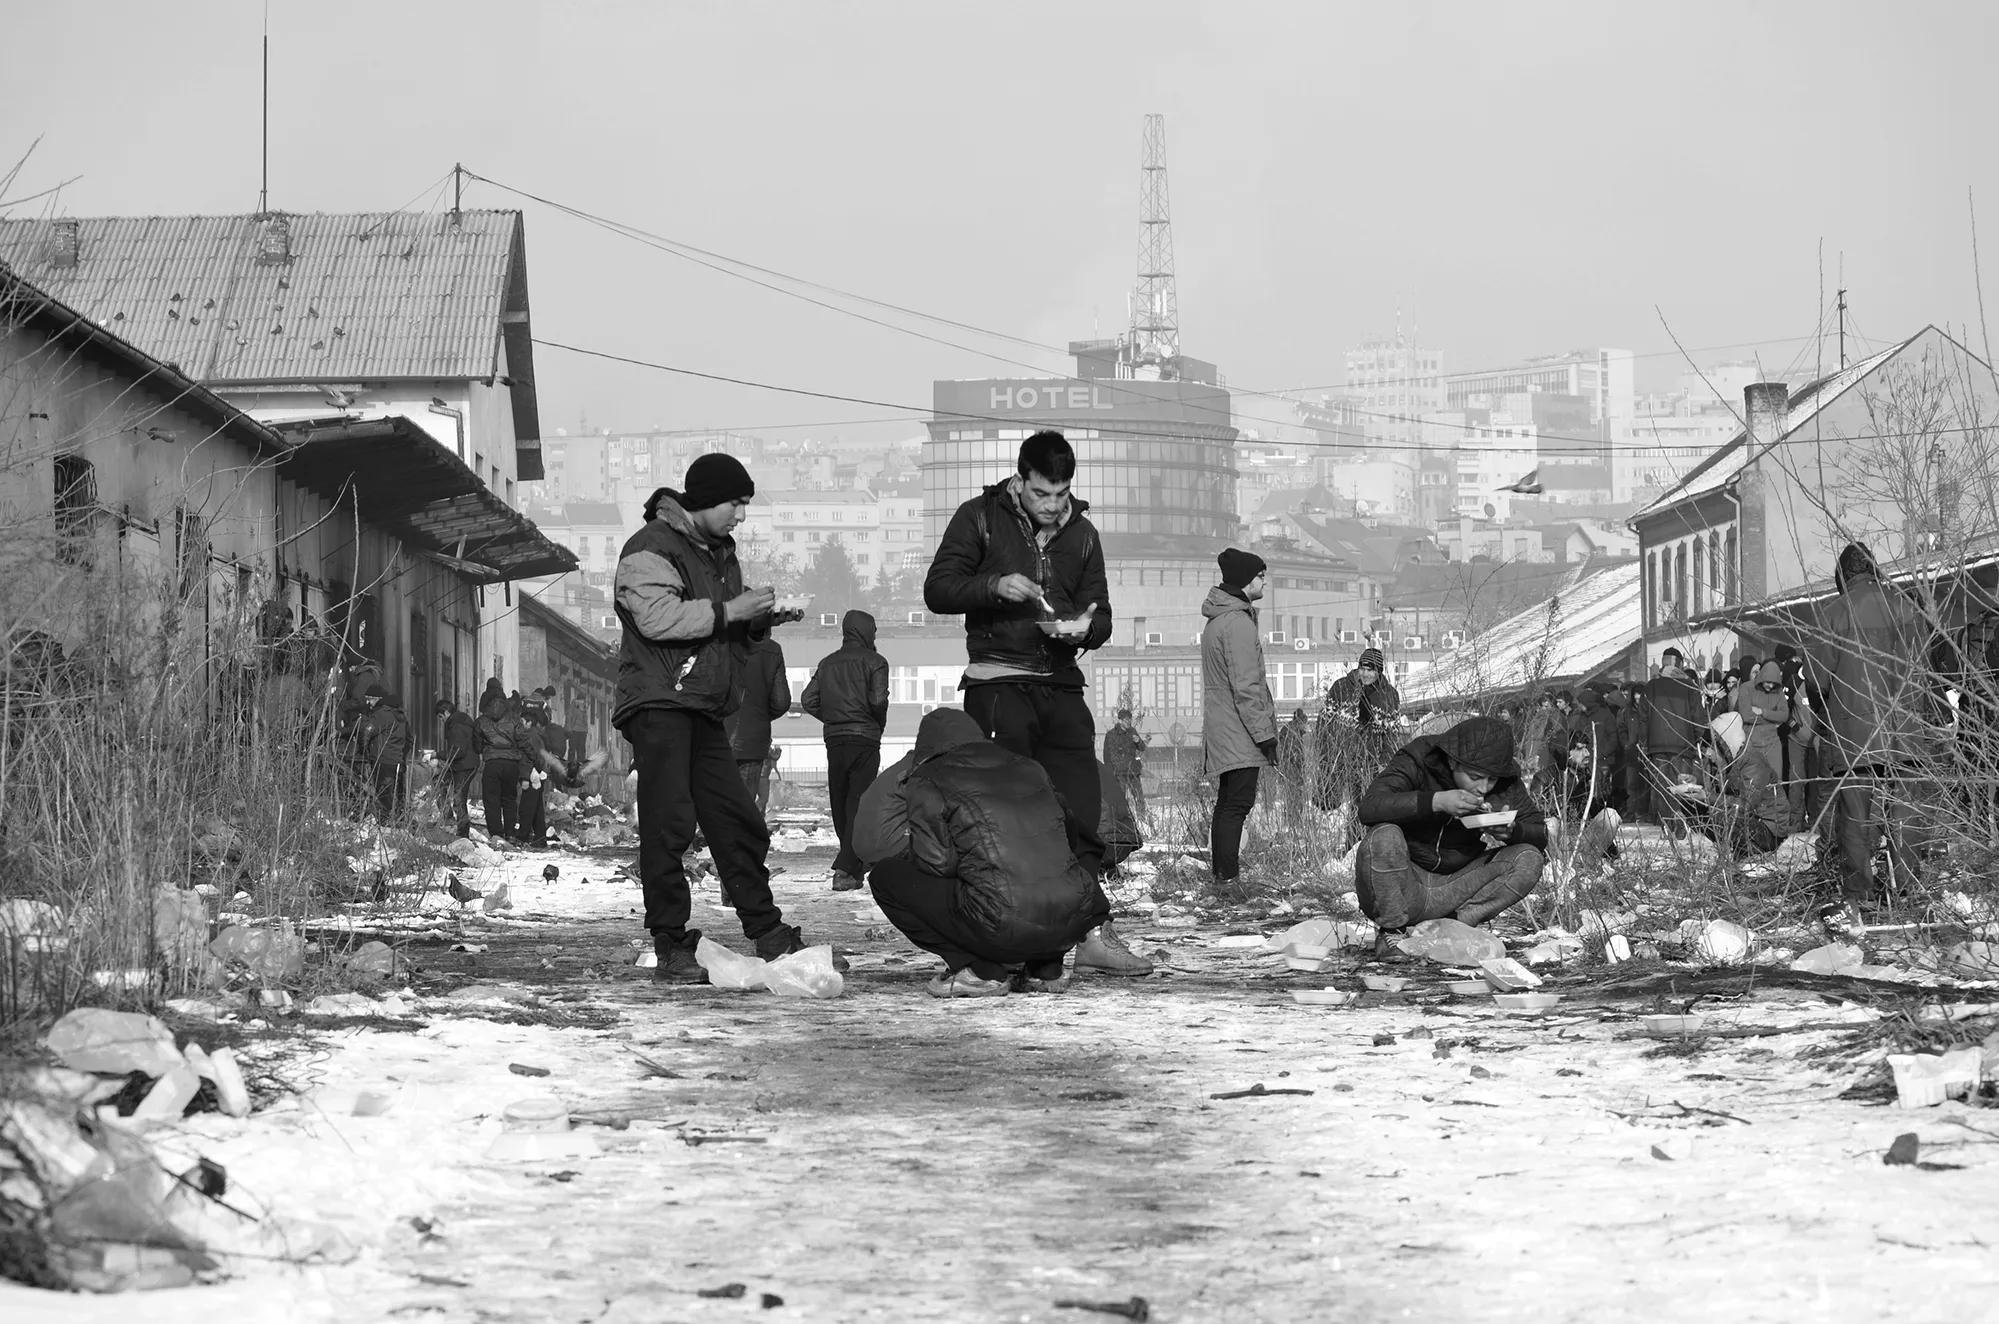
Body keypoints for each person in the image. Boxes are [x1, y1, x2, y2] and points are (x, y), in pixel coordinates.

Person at [922, 428, 1149, 976]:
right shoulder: (978, 517)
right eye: (1042, 493)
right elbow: (938, 589)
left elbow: (1105, 616)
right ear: (1020, 480)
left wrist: (1084, 632)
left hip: (1062, 684)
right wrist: (994, 586)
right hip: (998, 684)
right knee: (1006, 816)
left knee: (1081, 810)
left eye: (1062, 494)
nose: (1052, 506)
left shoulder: (1085, 535)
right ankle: (1006, 937)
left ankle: (1092, 931)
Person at [615, 455, 830, 984]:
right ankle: (670, 941)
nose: (739, 515)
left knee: (735, 819)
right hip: (661, 701)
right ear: (706, 499)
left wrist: (756, 624)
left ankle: (770, 931)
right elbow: (656, 617)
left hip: (702, 703)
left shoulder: (718, 554)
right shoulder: (650, 548)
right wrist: (732, 611)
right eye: (735, 503)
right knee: (669, 824)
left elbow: (716, 625)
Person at [854, 708, 1103, 998]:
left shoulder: (929, 778)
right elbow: (1068, 835)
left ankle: (980, 971)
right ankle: (1045, 969)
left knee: (886, 877)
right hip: (1071, 919)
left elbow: (937, 863)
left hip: (1000, 923)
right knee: (1044, 873)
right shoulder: (1029, 767)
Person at [1811, 542, 1942, 926]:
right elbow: (1928, 670)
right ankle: (1908, 887)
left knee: (1855, 817)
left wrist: (1825, 716)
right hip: (1906, 731)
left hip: (1854, 733)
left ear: (1842, 575)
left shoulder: (1833, 613)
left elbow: (1818, 681)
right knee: (1907, 813)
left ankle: (1859, 895)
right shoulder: (1906, 607)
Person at [1354, 716, 1549, 944]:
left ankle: (1453, 928)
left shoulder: (1504, 780)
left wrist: (1512, 832)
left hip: (1456, 886)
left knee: (1528, 858)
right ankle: (1392, 934)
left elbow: (1540, 834)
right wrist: (1435, 802)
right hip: (1404, 881)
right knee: (1383, 835)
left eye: (1492, 780)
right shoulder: (1419, 757)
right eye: (1475, 777)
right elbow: (1370, 807)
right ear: (1453, 762)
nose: (1483, 787)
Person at [1200, 548, 1278, 890]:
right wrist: (1265, 736)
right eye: (1261, 575)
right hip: (1239, 728)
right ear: (1246, 580)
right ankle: (1228, 880)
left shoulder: (1221, 619)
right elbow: (1247, 687)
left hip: (1224, 724)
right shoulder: (1237, 624)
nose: (1265, 580)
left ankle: (1223, 877)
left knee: (1227, 804)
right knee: (1237, 804)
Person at [802, 610, 889, 891]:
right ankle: (846, 868)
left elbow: (808, 700)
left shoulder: (827, 664)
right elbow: (877, 699)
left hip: (835, 741)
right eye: (873, 630)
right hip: (864, 738)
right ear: (865, 632)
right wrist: (875, 723)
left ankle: (851, 864)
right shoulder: (876, 662)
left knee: (840, 803)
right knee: (858, 804)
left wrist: (833, 718)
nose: (875, 636)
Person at [1315, 647, 1402, 820]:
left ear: (1378, 671)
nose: (1365, 674)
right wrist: (1325, 752)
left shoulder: (1389, 695)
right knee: (1329, 807)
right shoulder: (1342, 687)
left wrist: (1385, 761)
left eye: (1370, 670)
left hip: (1369, 761)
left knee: (1363, 808)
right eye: (1362, 668)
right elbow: (1324, 722)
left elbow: (1392, 734)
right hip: (1339, 757)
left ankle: (1355, 842)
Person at [725, 635, 792, 816]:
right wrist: (760, 716)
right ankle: (739, 840)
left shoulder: (715, 643)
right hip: (753, 740)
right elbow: (781, 701)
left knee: (716, 802)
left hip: (714, 737)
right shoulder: (772, 650)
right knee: (745, 805)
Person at [1645, 649, 1707, 827]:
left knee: (1661, 786)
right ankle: (1681, 819)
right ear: (1680, 663)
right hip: (1683, 745)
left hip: (1656, 746)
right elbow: (1698, 717)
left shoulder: (1651, 687)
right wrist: (1698, 740)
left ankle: (1665, 823)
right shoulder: (1689, 686)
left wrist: (1644, 742)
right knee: (1683, 785)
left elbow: (1643, 717)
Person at [476, 689, 528, 844]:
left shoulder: (481, 721)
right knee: (509, 799)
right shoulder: (515, 719)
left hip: (492, 764)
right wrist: (531, 759)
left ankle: (496, 834)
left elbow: (477, 746)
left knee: (491, 800)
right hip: (512, 764)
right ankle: (510, 833)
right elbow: (523, 741)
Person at [353, 684, 409, 821]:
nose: (368, 702)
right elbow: (409, 739)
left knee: (384, 795)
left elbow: (367, 731)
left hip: (382, 759)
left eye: (370, 699)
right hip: (396, 760)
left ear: (378, 699)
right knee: (396, 795)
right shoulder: (399, 716)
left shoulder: (382, 715)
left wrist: (364, 750)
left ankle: (389, 822)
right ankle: (399, 821)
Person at [433, 697, 480, 837]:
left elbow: (458, 750)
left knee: (459, 798)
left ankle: (462, 832)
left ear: (446, 713)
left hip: (463, 765)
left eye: (441, 717)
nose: (442, 721)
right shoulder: (463, 721)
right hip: (465, 764)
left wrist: (437, 755)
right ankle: (450, 820)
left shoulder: (455, 725)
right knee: (440, 783)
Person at [1102, 708, 1149, 824]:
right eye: (1126, 719)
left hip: (1133, 772)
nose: (1129, 722)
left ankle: (1142, 822)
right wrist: (1110, 773)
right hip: (1119, 774)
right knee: (1120, 800)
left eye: (1130, 719)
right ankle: (1120, 822)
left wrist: (1138, 741)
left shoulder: (1132, 731)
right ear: (1120, 720)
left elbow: (1142, 748)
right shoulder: (1111, 735)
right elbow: (1106, 756)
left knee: (1139, 798)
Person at [516, 695, 552, 847]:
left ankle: (523, 836)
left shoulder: (530, 736)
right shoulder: (538, 735)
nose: (521, 724)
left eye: (523, 721)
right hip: (539, 774)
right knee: (537, 808)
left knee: (527, 806)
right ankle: (540, 837)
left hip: (533, 775)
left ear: (530, 722)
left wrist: (527, 775)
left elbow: (530, 757)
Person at [1276, 708, 1314, 826]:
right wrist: (1302, 768)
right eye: (1305, 723)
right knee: (1295, 796)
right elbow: (1294, 754)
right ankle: (1294, 822)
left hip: (1288, 769)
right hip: (1292, 771)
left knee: (1292, 796)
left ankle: (1293, 821)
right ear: (1301, 722)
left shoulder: (1288, 730)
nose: (1306, 726)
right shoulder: (1292, 733)